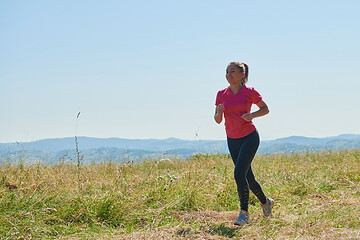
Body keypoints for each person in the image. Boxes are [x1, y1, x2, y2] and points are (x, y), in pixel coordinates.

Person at [214, 62, 274, 226]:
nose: (229, 74)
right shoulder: (221, 94)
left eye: (232, 71)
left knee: (239, 174)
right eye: (227, 71)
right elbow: (218, 120)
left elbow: (265, 109)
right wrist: (218, 113)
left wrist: (252, 115)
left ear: (242, 74)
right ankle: (266, 202)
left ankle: (244, 214)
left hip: (249, 137)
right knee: (249, 177)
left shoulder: (250, 92)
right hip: (232, 139)